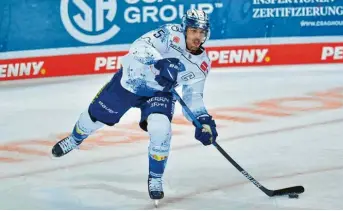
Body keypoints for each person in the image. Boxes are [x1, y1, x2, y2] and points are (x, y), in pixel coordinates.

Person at [51, 9, 218, 201]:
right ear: (185, 29)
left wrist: (203, 120)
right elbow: (139, 46)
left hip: (159, 93)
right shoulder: (169, 34)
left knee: (161, 129)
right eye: (193, 31)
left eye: (201, 32)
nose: (197, 36)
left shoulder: (201, 64)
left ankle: (155, 177)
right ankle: (75, 139)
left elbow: (193, 96)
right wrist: (159, 63)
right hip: (130, 81)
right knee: (93, 118)